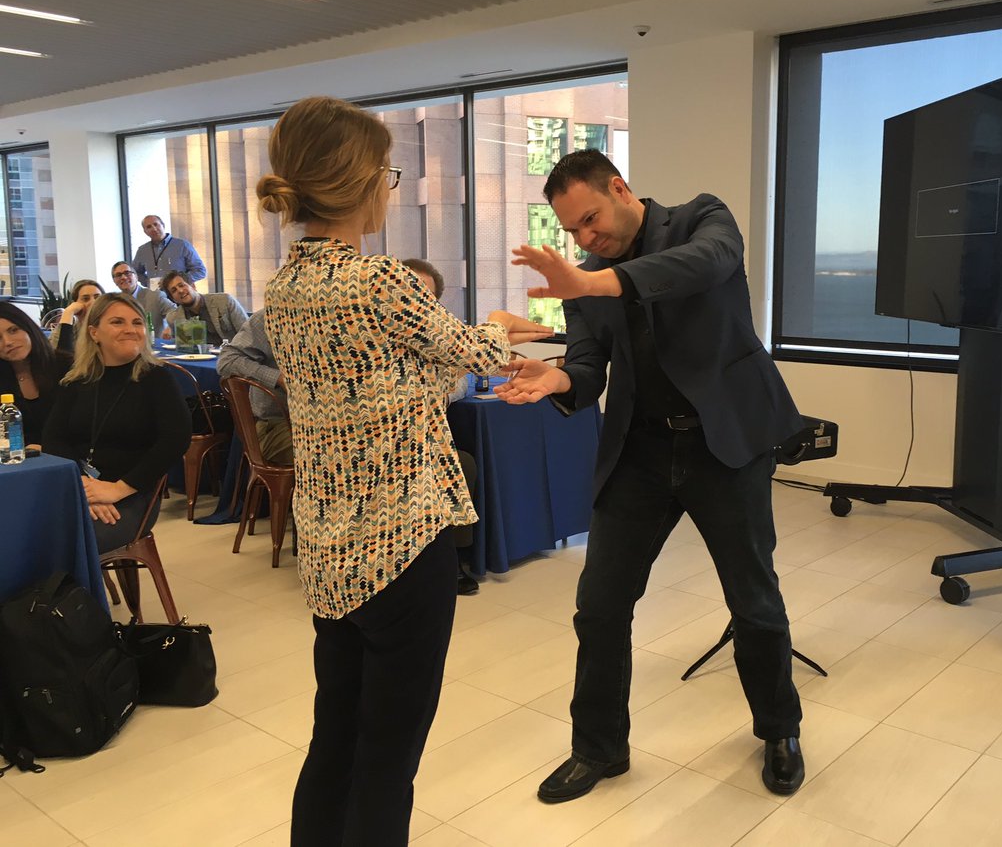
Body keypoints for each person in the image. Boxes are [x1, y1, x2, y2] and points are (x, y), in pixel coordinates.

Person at [256, 95, 552, 845]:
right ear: (360, 181)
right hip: (402, 542)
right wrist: (500, 326)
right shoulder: (378, 280)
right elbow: (475, 351)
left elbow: (378, 393)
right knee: (389, 754)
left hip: (329, 547)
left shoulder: (284, 288)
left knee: (336, 734)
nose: (390, 189)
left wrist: (464, 353)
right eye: (388, 175)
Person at [495, 149, 808, 801]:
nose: (585, 239)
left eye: (590, 220)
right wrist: (557, 378)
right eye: (573, 231)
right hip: (639, 451)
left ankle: (779, 730)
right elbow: (588, 369)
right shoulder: (585, 282)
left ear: (619, 188)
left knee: (753, 601)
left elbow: (705, 265)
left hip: (726, 445)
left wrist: (593, 284)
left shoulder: (701, 219)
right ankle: (599, 748)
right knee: (600, 607)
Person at [42, 293, 191, 553]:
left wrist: (117, 489)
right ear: (94, 332)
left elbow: (175, 440)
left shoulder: (157, 379)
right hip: (78, 486)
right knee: (24, 532)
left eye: (137, 322)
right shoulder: (76, 381)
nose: (130, 330)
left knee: (64, 543)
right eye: (117, 322)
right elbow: (54, 439)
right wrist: (85, 488)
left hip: (133, 492)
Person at [402, 257, 478, 595]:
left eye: (426, 297)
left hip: (426, 439)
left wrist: (443, 391)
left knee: (462, 463)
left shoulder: (438, 334)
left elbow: (464, 374)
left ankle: (457, 560)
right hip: (386, 444)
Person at [216, 312, 292, 465]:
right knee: (332, 452)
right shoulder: (270, 317)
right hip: (275, 424)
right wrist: (278, 378)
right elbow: (227, 361)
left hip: (321, 424)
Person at [0, 302, 71, 450]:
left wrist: (48, 449)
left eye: (13, 330)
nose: (8, 342)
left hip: (68, 457)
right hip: (18, 460)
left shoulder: (67, 367)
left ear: (28, 328)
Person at [161, 271, 249, 346]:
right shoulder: (173, 318)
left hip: (232, 354)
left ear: (193, 286)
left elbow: (247, 333)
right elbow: (182, 347)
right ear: (173, 299)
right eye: (174, 290)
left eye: (181, 285)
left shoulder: (224, 301)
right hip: (197, 358)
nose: (180, 291)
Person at [132, 214, 207, 288]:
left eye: (156, 224)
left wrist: (179, 281)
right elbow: (134, 272)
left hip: (180, 292)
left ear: (163, 225)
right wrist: (147, 282)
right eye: (149, 227)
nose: (154, 229)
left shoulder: (182, 245)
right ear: (145, 231)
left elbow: (200, 271)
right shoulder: (142, 250)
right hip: (155, 293)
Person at [112, 260, 175, 339]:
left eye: (127, 273)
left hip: (153, 345)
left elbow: (176, 313)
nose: (123, 277)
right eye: (118, 275)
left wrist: (170, 327)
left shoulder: (155, 296)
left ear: (136, 277)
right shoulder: (114, 303)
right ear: (114, 281)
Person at [49, 278, 105, 350]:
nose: (93, 302)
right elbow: (58, 353)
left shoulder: (109, 327)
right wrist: (68, 312)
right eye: (86, 299)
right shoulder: (72, 330)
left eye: (97, 297)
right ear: (75, 304)